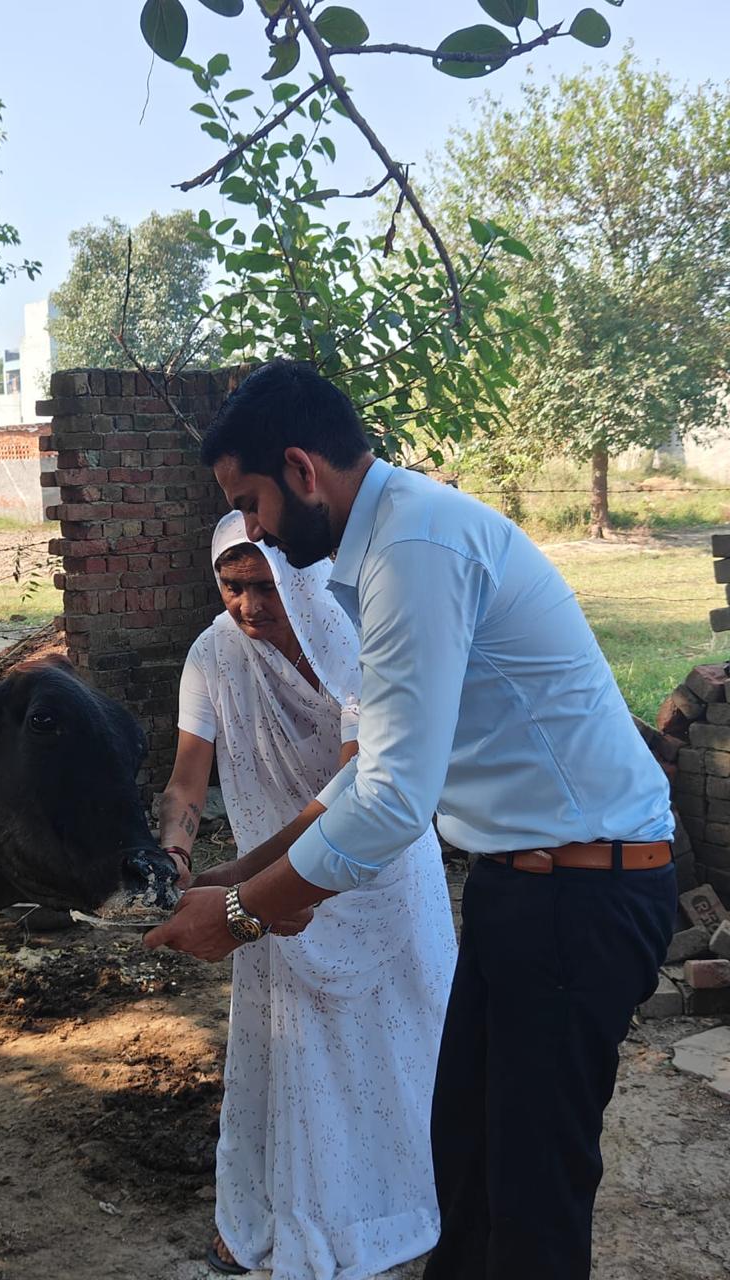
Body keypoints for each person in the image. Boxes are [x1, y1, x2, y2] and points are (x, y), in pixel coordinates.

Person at [146, 360, 677, 1280]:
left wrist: (240, 915)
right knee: (465, 1164)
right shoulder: (388, 546)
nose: (254, 530)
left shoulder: (414, 550)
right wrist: (238, 877)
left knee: (530, 1199)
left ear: (302, 469)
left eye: (252, 503)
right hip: (524, 887)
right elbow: (374, 775)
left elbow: (392, 800)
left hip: (582, 893)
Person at [158, 510, 456, 1279]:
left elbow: (355, 791)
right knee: (290, 1056)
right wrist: (176, 854)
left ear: (299, 579)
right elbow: (187, 778)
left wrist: (240, 882)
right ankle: (272, 1214)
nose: (248, 605)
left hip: (375, 875)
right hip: (274, 894)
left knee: (396, 1052)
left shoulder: (353, 638)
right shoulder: (212, 655)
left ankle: (402, 1207)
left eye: (265, 586)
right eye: (231, 585)